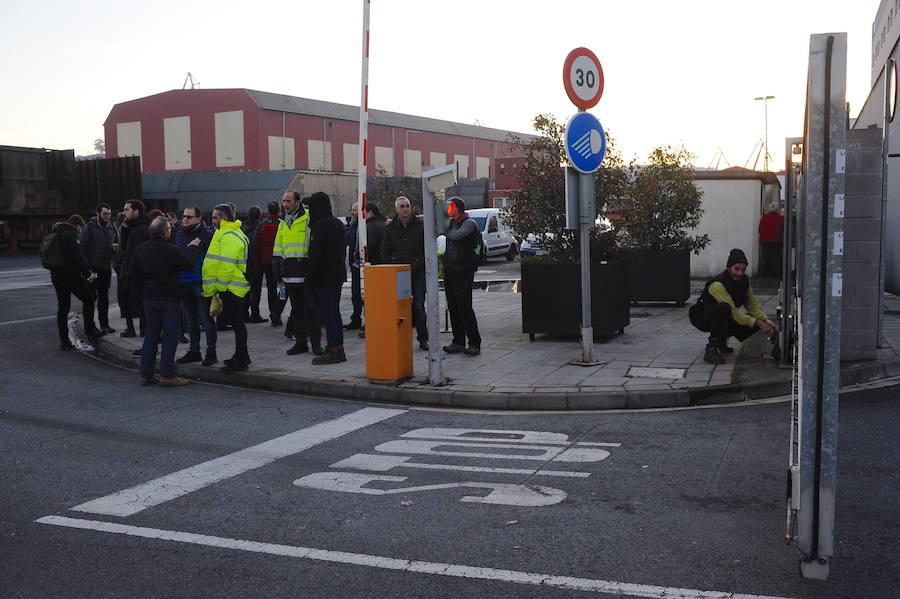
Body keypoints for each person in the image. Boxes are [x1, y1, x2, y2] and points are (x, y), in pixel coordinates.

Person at [130, 216, 201, 386]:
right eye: (169, 229)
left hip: (149, 299)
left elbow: (133, 274)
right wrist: (192, 248)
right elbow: (190, 265)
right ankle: (167, 374)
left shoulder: (141, 249)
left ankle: (146, 374)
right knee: (170, 337)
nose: (170, 231)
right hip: (169, 299)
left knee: (151, 336)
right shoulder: (171, 250)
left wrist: (139, 297)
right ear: (164, 233)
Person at [689, 248, 776, 365]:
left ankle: (721, 341)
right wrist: (759, 323)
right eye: (737, 269)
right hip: (702, 316)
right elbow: (734, 313)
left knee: (755, 321)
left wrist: (766, 320)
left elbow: (753, 305)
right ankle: (711, 348)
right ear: (728, 267)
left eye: (743, 270)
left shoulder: (745, 281)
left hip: (724, 314)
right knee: (725, 308)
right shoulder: (717, 284)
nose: (740, 273)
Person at [202, 204, 252, 374]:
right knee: (238, 324)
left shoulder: (229, 235)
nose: (212, 220)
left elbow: (227, 266)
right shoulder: (224, 233)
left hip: (231, 288)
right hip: (229, 287)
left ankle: (241, 359)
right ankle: (241, 356)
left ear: (223, 218)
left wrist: (220, 288)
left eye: (215, 217)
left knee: (238, 324)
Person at [273, 191, 321, 355]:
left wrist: (313, 271)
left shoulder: (308, 218)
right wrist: (277, 272)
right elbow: (278, 248)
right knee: (297, 311)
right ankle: (301, 342)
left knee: (311, 311)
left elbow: (315, 245)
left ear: (298, 202)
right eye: (284, 201)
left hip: (306, 274)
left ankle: (316, 343)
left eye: (288, 201)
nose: (285, 204)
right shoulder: (282, 222)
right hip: (289, 275)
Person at [381, 196, 428, 350]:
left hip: (417, 272)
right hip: (399, 272)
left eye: (407, 205)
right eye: (401, 206)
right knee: (399, 308)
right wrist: (393, 264)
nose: (405, 209)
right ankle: (398, 339)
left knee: (419, 307)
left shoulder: (420, 226)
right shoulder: (390, 228)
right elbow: (385, 251)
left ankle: (423, 339)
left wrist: (418, 264)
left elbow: (425, 250)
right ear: (396, 209)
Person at [307, 191, 347, 365]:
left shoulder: (319, 226)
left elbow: (315, 255)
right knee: (335, 312)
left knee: (327, 313)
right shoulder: (338, 224)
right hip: (338, 274)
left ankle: (332, 349)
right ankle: (338, 347)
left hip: (325, 276)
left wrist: (310, 278)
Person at [49, 215, 101, 349]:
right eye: (81, 229)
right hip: (71, 275)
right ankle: (89, 330)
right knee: (88, 299)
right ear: (78, 225)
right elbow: (78, 256)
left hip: (56, 275)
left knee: (63, 307)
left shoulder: (56, 233)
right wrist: (87, 273)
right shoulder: (71, 235)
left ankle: (64, 341)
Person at [175, 206, 217, 366]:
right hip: (184, 283)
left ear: (199, 219)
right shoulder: (180, 234)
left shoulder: (207, 235)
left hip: (201, 283)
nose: (185, 219)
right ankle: (194, 351)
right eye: (184, 216)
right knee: (191, 321)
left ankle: (211, 352)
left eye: (189, 217)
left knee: (206, 320)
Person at [441, 197, 481, 356]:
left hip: (463, 271)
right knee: (453, 308)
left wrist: (443, 229)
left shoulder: (469, 223)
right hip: (451, 270)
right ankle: (458, 341)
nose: (447, 210)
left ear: (456, 208)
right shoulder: (452, 223)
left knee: (464, 308)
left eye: (449, 207)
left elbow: (457, 236)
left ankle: (474, 343)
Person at [78, 202, 117, 334]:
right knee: (90, 298)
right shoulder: (90, 227)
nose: (107, 216)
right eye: (105, 214)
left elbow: (115, 243)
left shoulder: (111, 227)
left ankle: (105, 325)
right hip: (93, 268)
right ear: (98, 213)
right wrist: (87, 267)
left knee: (104, 297)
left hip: (106, 267)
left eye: (109, 214)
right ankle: (90, 326)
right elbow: (82, 246)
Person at [119, 199, 151, 338]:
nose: (124, 212)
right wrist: (125, 228)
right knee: (126, 300)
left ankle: (143, 329)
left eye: (127, 210)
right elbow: (125, 247)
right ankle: (131, 329)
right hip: (129, 270)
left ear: (136, 211)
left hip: (135, 273)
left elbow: (138, 253)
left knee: (139, 302)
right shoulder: (132, 226)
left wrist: (134, 272)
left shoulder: (141, 229)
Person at [253, 200, 284, 326]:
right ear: (279, 210)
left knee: (271, 287)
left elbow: (255, 244)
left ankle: (273, 312)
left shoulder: (262, 225)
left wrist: (261, 257)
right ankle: (277, 311)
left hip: (266, 261)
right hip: (280, 261)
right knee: (283, 287)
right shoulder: (282, 224)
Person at [241, 205, 267, 323]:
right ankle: (255, 314)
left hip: (244, 263)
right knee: (256, 291)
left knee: (245, 290)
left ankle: (244, 314)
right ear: (260, 216)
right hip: (257, 263)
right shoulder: (260, 228)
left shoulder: (242, 228)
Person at [344, 202, 363, 330]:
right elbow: (348, 240)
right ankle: (356, 318)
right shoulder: (353, 224)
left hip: (362, 265)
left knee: (362, 295)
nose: (352, 212)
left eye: (354, 210)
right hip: (355, 265)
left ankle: (363, 319)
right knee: (355, 294)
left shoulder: (363, 225)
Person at [758, 201, 784, 278]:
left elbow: (760, 229)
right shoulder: (781, 218)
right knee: (777, 258)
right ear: (777, 209)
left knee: (765, 258)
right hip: (777, 241)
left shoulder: (764, 218)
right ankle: (777, 273)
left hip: (765, 241)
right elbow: (783, 230)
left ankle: (763, 273)